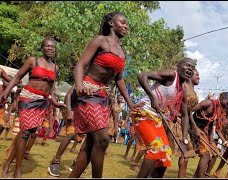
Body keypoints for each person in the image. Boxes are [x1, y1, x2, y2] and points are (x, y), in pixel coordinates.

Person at [69, 11, 143, 178]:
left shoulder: (122, 52)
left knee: (91, 142)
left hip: (103, 97)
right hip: (87, 91)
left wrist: (130, 103)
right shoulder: (100, 41)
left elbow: (119, 79)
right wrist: (80, 86)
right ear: (111, 23)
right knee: (102, 139)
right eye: (122, 22)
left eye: (126, 24)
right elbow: (80, 65)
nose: (126, 26)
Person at [1, 36, 65, 178]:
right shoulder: (32, 61)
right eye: (47, 46)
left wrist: (55, 102)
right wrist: (6, 92)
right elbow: (17, 77)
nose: (50, 49)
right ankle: (17, 170)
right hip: (28, 98)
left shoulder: (55, 67)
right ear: (42, 48)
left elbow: (51, 88)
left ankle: (7, 164)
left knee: (26, 134)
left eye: (52, 47)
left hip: (42, 103)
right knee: (24, 133)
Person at [130, 57, 196, 178]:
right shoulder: (171, 75)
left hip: (156, 119)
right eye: (188, 66)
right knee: (156, 149)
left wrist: (184, 139)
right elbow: (142, 76)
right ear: (178, 66)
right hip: (143, 113)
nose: (190, 69)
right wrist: (152, 97)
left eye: (193, 68)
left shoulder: (182, 90)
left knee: (166, 156)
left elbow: (185, 115)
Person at [164, 68, 200, 178]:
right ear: (190, 76)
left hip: (183, 123)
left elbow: (188, 112)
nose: (199, 77)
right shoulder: (182, 85)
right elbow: (169, 98)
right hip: (173, 121)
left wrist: (194, 127)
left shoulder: (193, 91)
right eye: (197, 75)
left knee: (186, 152)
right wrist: (172, 111)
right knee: (166, 152)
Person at [190, 92, 228, 178]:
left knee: (215, 153)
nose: (227, 106)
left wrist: (210, 139)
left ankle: (202, 175)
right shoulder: (208, 103)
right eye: (227, 103)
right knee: (205, 155)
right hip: (193, 127)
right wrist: (195, 128)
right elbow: (189, 111)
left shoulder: (218, 110)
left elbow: (210, 125)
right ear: (220, 97)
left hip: (203, 131)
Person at [48, 86, 84, 177]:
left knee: (86, 137)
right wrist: (68, 111)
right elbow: (68, 95)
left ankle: (76, 164)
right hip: (70, 108)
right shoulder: (82, 80)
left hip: (82, 112)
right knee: (71, 133)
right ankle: (55, 162)